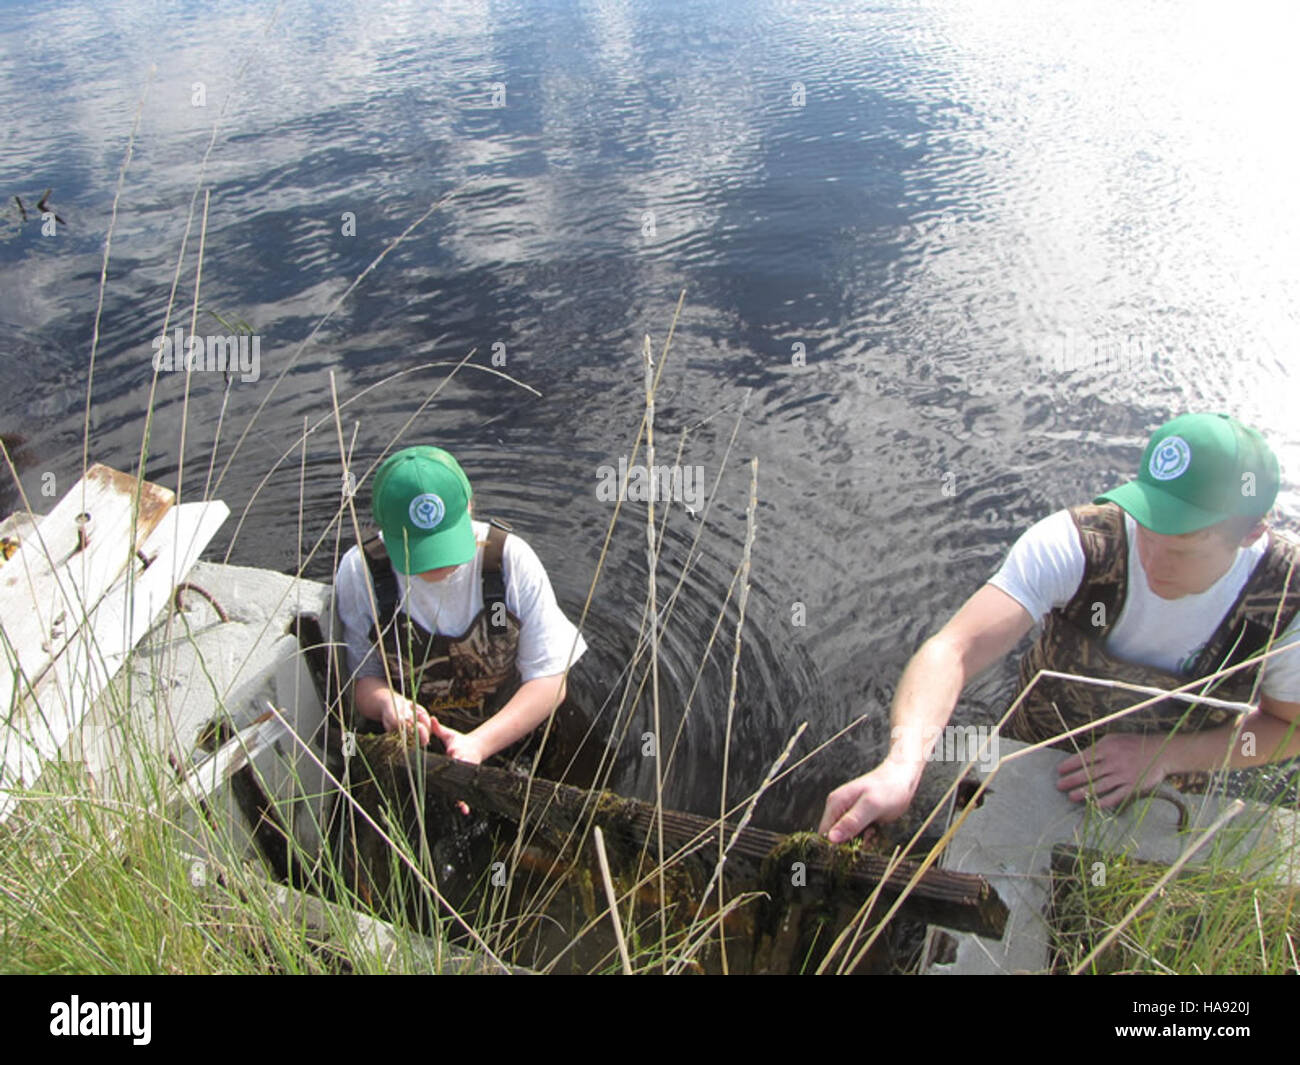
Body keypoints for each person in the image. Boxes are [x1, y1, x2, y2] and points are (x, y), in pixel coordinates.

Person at [820, 412, 1300, 843]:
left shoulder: (1285, 599)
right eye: (1147, 527)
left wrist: (1162, 755)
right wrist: (902, 767)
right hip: (1027, 754)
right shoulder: (1079, 542)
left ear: (1253, 529)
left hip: (1166, 788)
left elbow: (1287, 725)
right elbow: (954, 649)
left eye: (1181, 548)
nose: (1152, 562)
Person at [334, 445, 588, 765]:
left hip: (513, 732)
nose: (437, 565)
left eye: (444, 541)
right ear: (383, 528)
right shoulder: (361, 572)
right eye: (418, 549)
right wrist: (387, 702)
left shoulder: (509, 559)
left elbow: (550, 681)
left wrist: (478, 745)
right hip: (420, 750)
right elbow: (363, 680)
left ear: (469, 507)